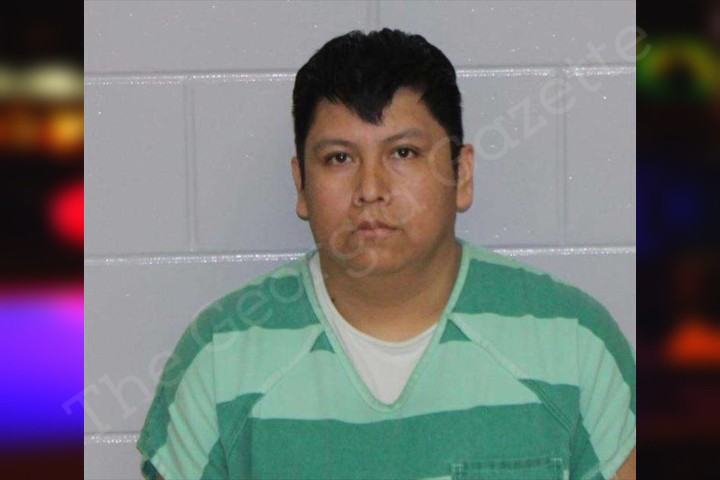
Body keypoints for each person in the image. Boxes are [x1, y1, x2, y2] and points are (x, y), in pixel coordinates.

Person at [137, 28, 636, 480]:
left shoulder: (574, 343)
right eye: (339, 158)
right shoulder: (219, 358)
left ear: (461, 174)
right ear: (302, 185)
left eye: (403, 153)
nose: (370, 189)